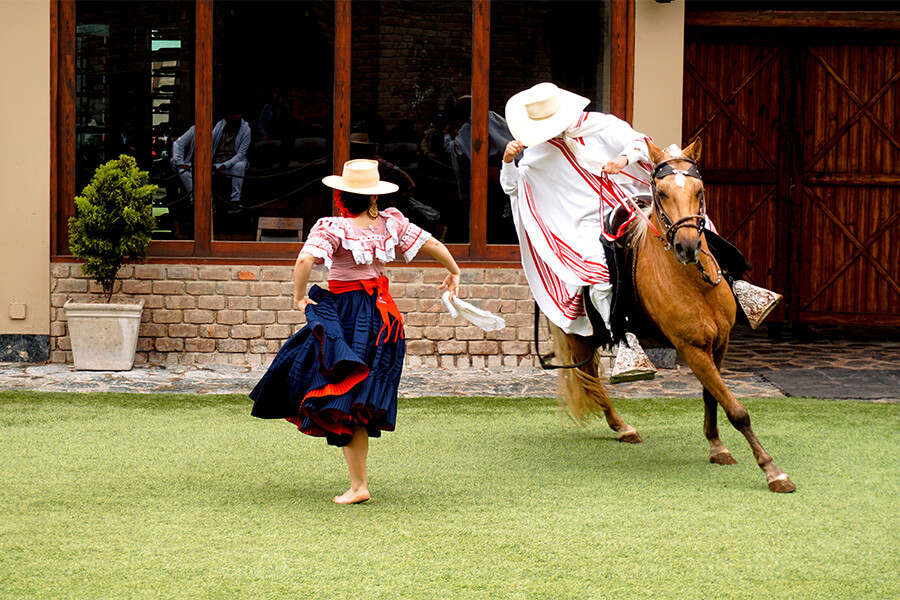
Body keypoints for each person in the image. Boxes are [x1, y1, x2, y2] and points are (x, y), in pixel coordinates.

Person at [500, 82, 780, 382]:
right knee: (596, 272)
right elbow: (514, 187)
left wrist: (623, 160)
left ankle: (739, 285)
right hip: (587, 222)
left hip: (632, 198)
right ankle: (625, 342)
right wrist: (508, 163)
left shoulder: (598, 124)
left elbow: (639, 141)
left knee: (690, 220)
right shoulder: (535, 156)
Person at [250, 159, 461, 505]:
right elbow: (433, 245)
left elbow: (305, 261)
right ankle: (357, 483)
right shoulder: (390, 223)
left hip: (349, 315)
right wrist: (454, 272)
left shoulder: (332, 227)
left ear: (341, 197)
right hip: (382, 319)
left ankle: (359, 485)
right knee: (351, 395)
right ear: (375, 198)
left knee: (339, 391)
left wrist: (300, 296)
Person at [171, 108, 252, 208]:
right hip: (208, 164)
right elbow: (178, 143)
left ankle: (235, 201)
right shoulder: (199, 129)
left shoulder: (245, 129)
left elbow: (240, 154)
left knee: (240, 166)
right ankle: (198, 201)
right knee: (185, 173)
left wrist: (224, 165)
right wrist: (179, 162)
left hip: (229, 164)